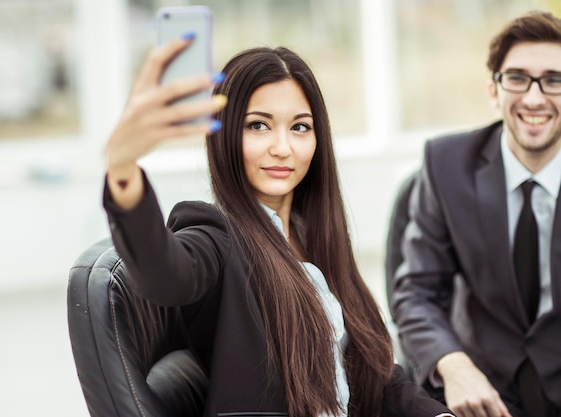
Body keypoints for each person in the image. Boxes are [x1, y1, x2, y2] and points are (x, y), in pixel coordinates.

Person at [102, 33, 455, 417]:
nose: (282, 147)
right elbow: (165, 275)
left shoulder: (316, 239)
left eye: (300, 127)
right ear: (225, 135)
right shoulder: (215, 236)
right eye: (258, 126)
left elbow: (377, 378)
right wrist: (123, 169)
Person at [391, 10, 561, 417]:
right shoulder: (445, 164)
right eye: (518, 78)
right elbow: (415, 292)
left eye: (554, 80)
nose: (534, 98)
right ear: (493, 90)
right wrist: (453, 364)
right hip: (481, 395)